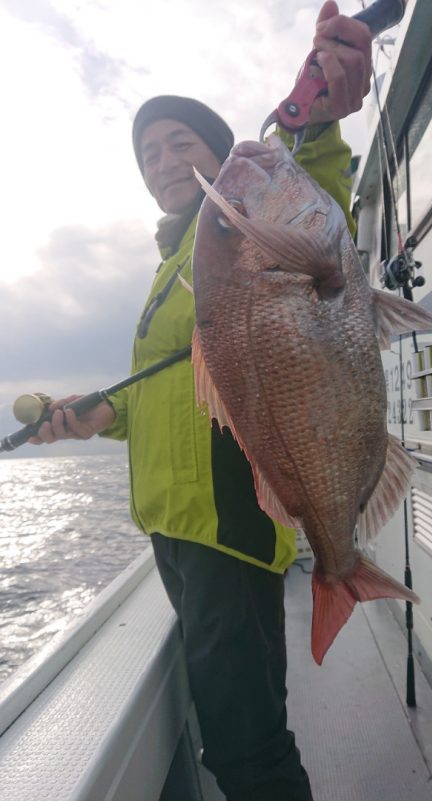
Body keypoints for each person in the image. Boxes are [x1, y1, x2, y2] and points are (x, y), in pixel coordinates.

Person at [32, 3, 372, 799]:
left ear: (221, 155)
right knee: (231, 736)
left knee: (247, 750)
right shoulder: (171, 262)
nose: (160, 159)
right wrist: (98, 415)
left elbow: (313, 209)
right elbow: (185, 392)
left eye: (180, 141)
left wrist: (316, 121)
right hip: (173, 528)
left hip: (226, 527)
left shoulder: (236, 224)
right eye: (147, 151)